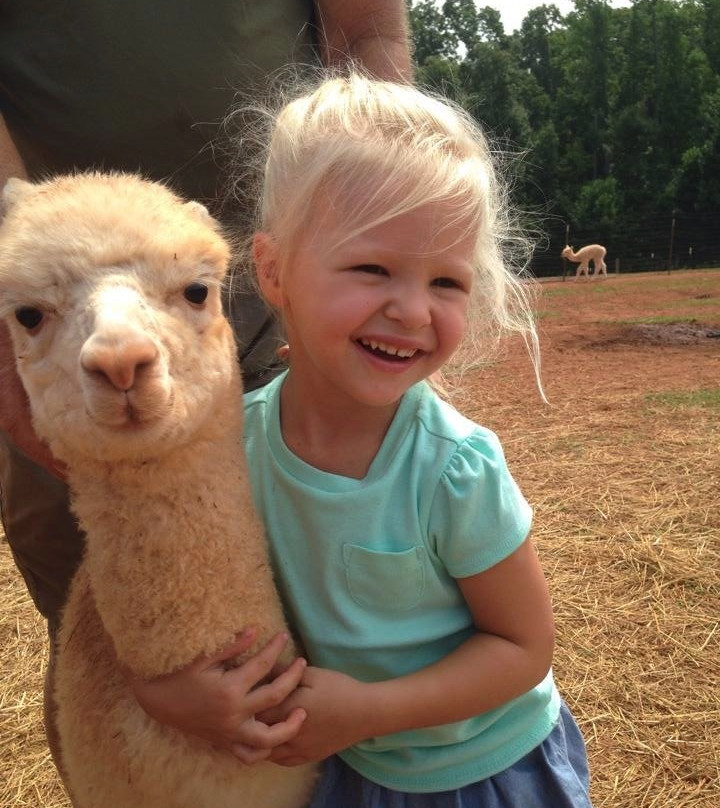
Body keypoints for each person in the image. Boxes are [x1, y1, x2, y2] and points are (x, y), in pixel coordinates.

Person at [132, 73, 593, 807]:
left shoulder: (454, 468)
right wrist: (169, 695)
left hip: (485, 773)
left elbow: (523, 648)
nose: (413, 310)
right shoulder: (229, 449)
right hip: (343, 773)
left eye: (448, 282)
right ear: (274, 271)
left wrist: (371, 712)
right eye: (373, 268)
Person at [0, 0, 411, 774]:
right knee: (91, 637)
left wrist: (369, 275)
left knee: (338, 595)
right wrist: (14, 334)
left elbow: (367, 31)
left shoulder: (449, 471)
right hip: (48, 322)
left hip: (286, 291)